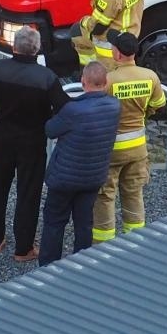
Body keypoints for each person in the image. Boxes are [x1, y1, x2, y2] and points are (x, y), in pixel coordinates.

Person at [0, 26, 68, 262]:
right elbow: (63, 110)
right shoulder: (47, 78)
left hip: (3, 138)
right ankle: (23, 248)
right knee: (28, 193)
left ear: (14, 46)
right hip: (33, 141)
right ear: (37, 49)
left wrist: (0, 109)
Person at [38, 61, 122, 266]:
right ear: (106, 82)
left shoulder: (73, 110)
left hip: (64, 179)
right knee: (84, 224)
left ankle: (49, 267)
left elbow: (50, 130)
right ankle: (81, 266)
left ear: (83, 81)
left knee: (55, 223)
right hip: (93, 178)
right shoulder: (115, 106)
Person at [92, 31, 167, 243]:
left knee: (105, 196)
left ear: (117, 53)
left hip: (111, 150)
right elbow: (158, 105)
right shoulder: (150, 76)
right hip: (138, 149)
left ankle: (103, 245)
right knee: (133, 193)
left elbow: (99, 110)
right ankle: (135, 243)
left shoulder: (109, 80)